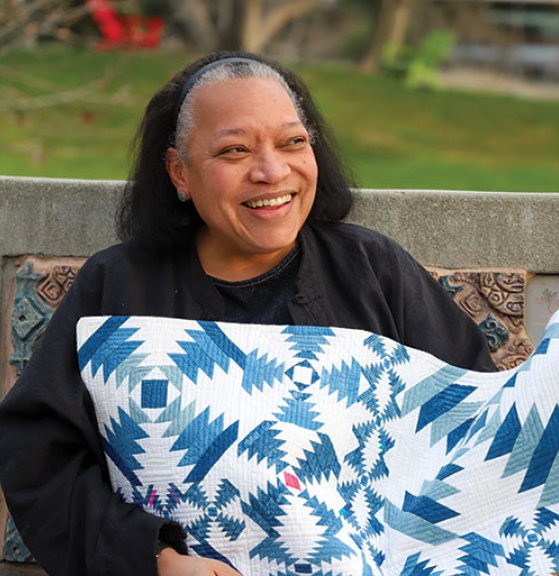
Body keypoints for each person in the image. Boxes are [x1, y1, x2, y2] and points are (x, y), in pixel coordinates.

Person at [0, 52, 496, 576]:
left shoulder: (373, 270)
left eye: (292, 142)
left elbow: (477, 429)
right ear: (179, 172)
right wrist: (154, 560)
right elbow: (37, 454)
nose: (272, 171)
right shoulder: (119, 284)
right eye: (235, 150)